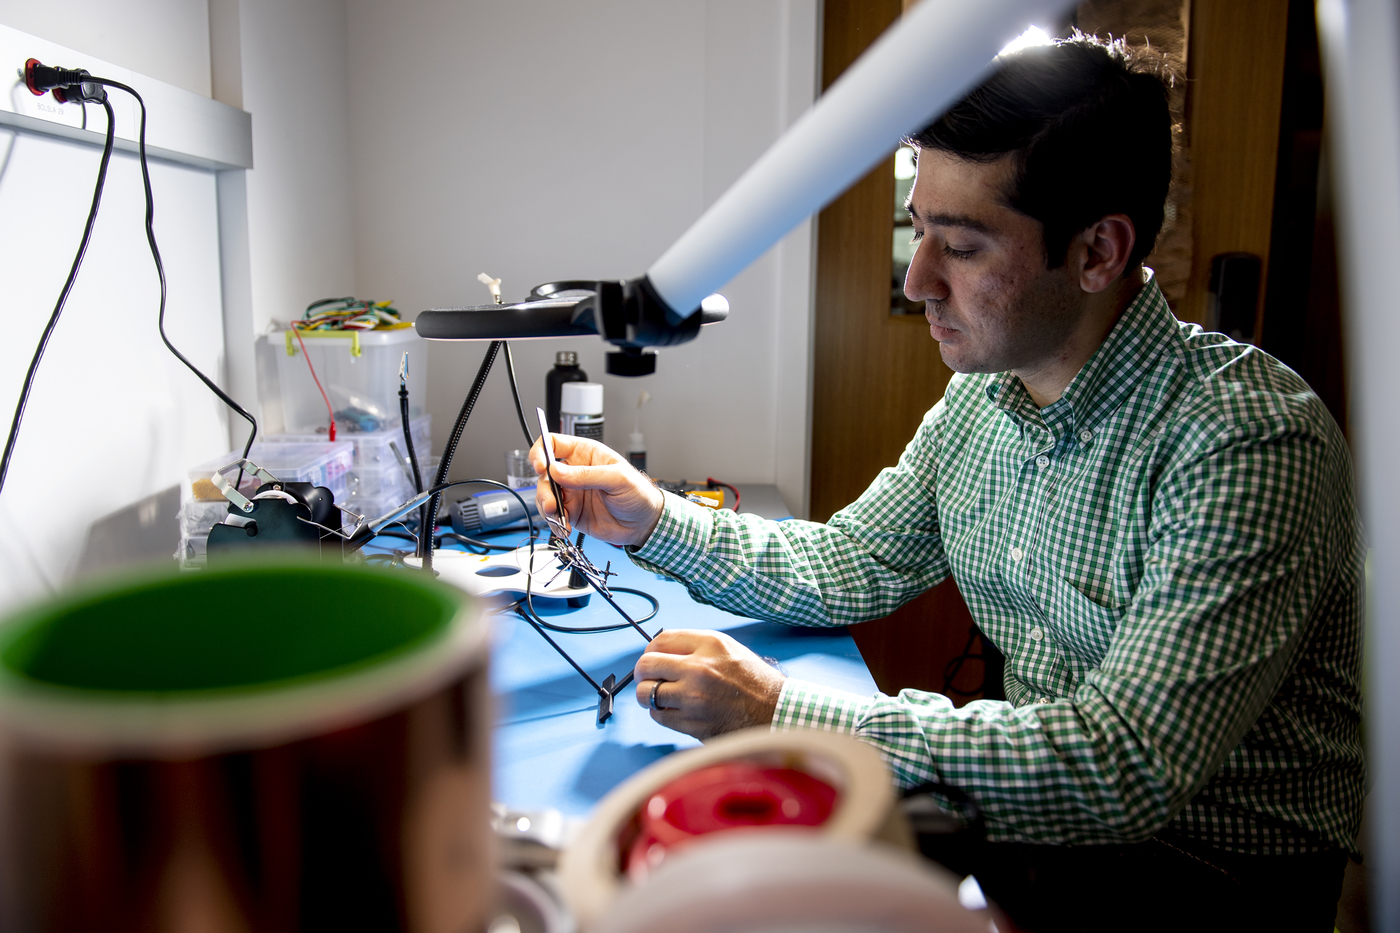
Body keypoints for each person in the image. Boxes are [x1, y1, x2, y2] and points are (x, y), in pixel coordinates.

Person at [531, 35, 1362, 932]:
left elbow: (1125, 767)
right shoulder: (982, 397)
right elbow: (850, 561)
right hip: (1048, 830)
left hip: (1205, 872)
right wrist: (651, 518)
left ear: (1098, 252)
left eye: (960, 247)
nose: (918, 279)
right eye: (917, 228)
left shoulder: (1246, 440)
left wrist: (781, 708)